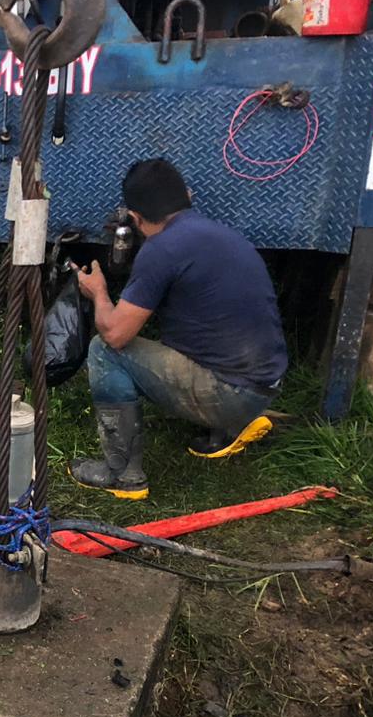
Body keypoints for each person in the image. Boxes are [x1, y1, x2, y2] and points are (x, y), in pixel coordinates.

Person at [69, 158, 288, 500]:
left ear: (136, 218)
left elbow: (116, 334)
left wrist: (98, 292)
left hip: (229, 394)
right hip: (263, 384)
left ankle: (122, 473)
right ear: (186, 195)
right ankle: (228, 431)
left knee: (104, 350)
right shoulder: (222, 234)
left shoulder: (162, 250)